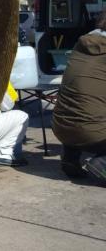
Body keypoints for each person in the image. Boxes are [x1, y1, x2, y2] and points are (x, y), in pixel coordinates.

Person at [52, 9, 106, 182]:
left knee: (82, 104)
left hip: (61, 128)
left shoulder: (81, 45)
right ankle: (101, 164)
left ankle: (71, 158)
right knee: (89, 112)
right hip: (92, 134)